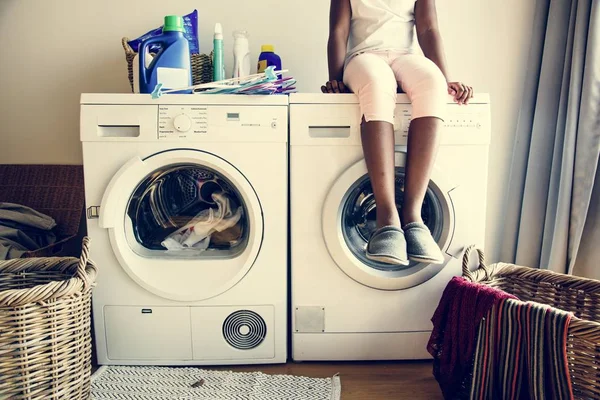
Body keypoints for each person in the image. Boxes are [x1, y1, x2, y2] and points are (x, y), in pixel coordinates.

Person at [322, 0, 474, 266]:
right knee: (376, 83)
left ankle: (413, 217)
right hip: (363, 58)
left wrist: (446, 78)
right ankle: (387, 218)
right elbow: (338, 31)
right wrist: (336, 78)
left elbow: (428, 30)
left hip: (406, 56)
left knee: (433, 84)